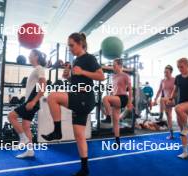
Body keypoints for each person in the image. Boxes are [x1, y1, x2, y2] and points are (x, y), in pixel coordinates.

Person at [41, 32, 104, 176]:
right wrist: (68, 77)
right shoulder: (76, 61)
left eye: (71, 45)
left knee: (52, 97)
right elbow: (77, 80)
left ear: (80, 43)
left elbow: (101, 76)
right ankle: (85, 168)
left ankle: (57, 131)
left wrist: (82, 71)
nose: (70, 48)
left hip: (85, 97)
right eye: (68, 46)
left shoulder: (89, 58)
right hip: (80, 98)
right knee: (79, 135)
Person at [8, 49, 46, 158]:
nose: (29, 57)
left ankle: (23, 138)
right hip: (30, 102)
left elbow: (43, 87)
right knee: (25, 125)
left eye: (30, 55)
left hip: (32, 102)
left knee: (11, 116)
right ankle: (30, 151)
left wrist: (33, 102)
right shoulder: (36, 69)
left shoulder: (39, 69)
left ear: (36, 57)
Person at [101, 59, 133, 146]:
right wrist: (111, 94)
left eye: (114, 65)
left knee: (105, 99)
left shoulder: (126, 76)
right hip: (116, 97)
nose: (113, 67)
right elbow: (114, 89)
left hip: (123, 98)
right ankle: (117, 141)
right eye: (113, 65)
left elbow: (130, 90)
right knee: (115, 121)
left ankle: (108, 116)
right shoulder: (113, 76)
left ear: (120, 65)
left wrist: (129, 103)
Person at [153, 65, 175, 139]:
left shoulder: (175, 80)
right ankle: (171, 134)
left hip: (173, 99)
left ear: (171, 72)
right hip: (166, 101)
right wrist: (155, 99)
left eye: (167, 72)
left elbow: (178, 90)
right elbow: (159, 91)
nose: (165, 73)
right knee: (169, 116)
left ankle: (160, 116)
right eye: (164, 72)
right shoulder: (162, 81)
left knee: (162, 99)